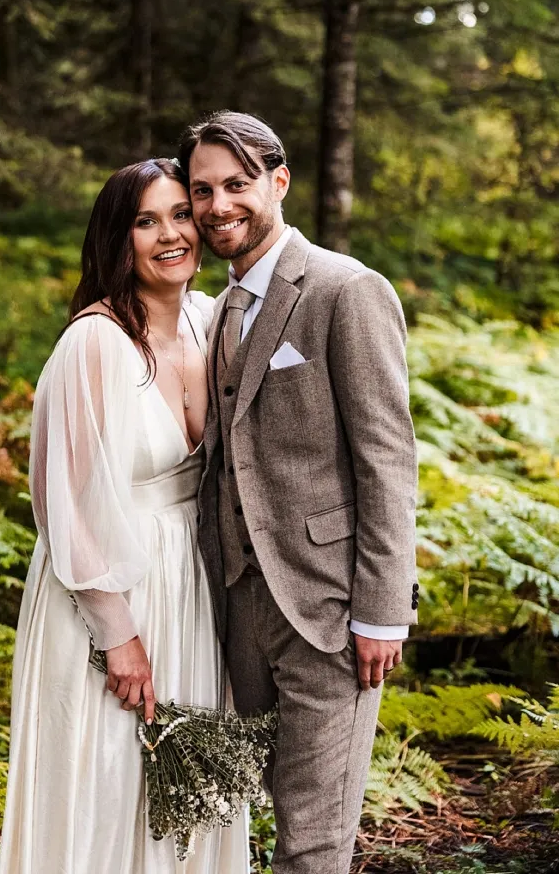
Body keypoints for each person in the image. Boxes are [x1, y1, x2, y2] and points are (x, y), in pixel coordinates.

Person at [178, 112, 419, 874]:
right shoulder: (217, 312)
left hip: (329, 611)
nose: (219, 206)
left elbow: (386, 457)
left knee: (313, 840)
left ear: (278, 182)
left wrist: (383, 609)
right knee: (259, 817)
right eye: (203, 190)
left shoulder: (347, 290)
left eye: (237, 184)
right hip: (239, 608)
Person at [0, 159, 249, 874]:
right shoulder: (93, 343)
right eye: (146, 221)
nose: (170, 234)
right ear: (118, 237)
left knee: (185, 788)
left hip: (191, 588)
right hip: (107, 587)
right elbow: (64, 503)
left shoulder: (210, 321)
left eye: (179, 214)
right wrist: (118, 635)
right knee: (107, 780)